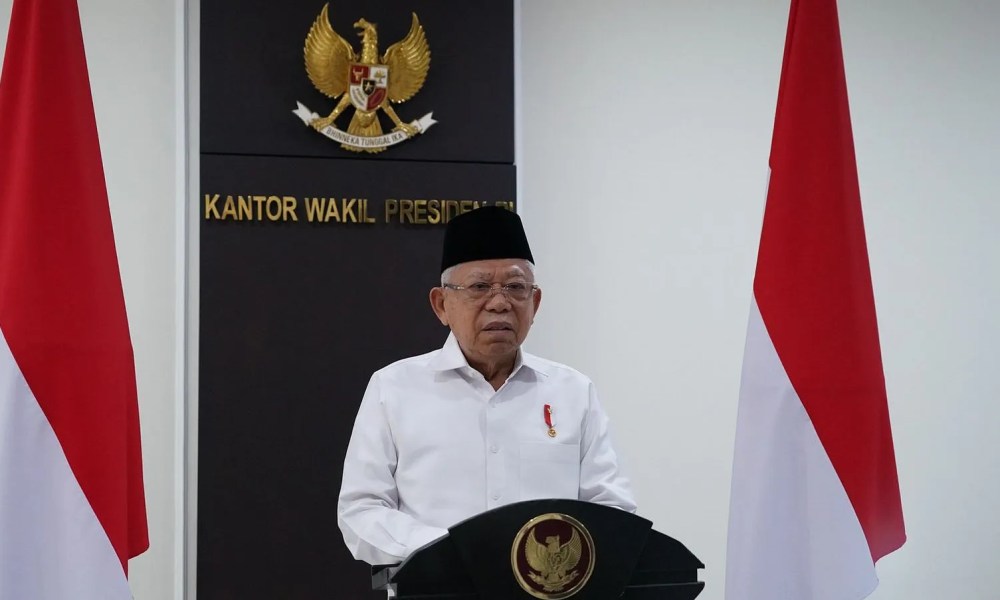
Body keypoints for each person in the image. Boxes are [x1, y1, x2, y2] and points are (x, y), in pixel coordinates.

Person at [338, 206, 636, 565]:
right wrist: (453, 549)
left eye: (516, 287)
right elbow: (361, 510)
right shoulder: (394, 388)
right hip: (438, 584)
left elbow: (611, 509)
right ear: (441, 304)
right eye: (479, 287)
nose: (499, 303)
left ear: (535, 302)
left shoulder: (573, 392)